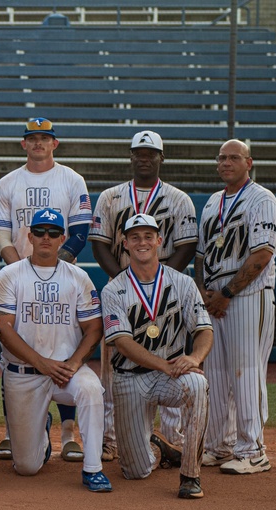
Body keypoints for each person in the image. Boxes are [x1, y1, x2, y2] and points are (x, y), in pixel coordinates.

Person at [89, 130, 198, 462]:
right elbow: (99, 243)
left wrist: (163, 281)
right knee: (115, 367)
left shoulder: (180, 199)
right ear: (131, 156)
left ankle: (173, 440)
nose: (145, 158)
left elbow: (187, 245)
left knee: (174, 361)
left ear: (161, 158)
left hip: (169, 295)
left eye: (151, 153)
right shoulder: (110, 197)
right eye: (139, 152)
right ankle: (111, 439)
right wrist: (126, 279)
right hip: (123, 292)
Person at [0, 118, 92, 462]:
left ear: (54, 144)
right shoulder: (8, 182)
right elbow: (1, 234)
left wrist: (49, 263)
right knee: (13, 353)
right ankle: (23, 430)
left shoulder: (71, 179)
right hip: (17, 277)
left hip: (62, 277)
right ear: (23, 144)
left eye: (44, 138)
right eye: (32, 138)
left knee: (64, 349)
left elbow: (78, 232)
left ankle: (69, 433)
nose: (38, 143)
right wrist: (22, 267)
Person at [0, 208, 111, 492]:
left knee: (92, 389)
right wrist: (42, 362)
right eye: (41, 232)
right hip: (24, 372)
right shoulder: (10, 275)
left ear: (63, 238)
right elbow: (4, 329)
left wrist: (74, 362)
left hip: (65, 370)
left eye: (54, 232)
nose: (47, 237)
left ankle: (93, 469)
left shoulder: (78, 277)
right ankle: (41, 433)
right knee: (26, 467)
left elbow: (94, 328)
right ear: (30, 236)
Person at [101, 213, 212, 499]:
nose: (142, 242)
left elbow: (204, 331)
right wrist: (164, 365)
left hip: (171, 375)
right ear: (124, 244)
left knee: (197, 384)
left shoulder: (182, 283)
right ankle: (157, 447)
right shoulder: (113, 289)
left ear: (160, 241)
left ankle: (190, 475)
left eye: (148, 236)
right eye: (135, 237)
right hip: (130, 378)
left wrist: (195, 358)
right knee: (135, 471)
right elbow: (122, 343)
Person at [195, 139, 276, 475]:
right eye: (221, 158)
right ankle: (220, 446)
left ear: (249, 162)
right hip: (215, 299)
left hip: (248, 297)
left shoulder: (262, 200)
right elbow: (202, 254)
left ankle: (253, 450)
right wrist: (205, 292)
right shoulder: (214, 201)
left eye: (234, 157)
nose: (226, 163)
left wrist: (227, 293)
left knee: (246, 373)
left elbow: (261, 256)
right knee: (216, 375)